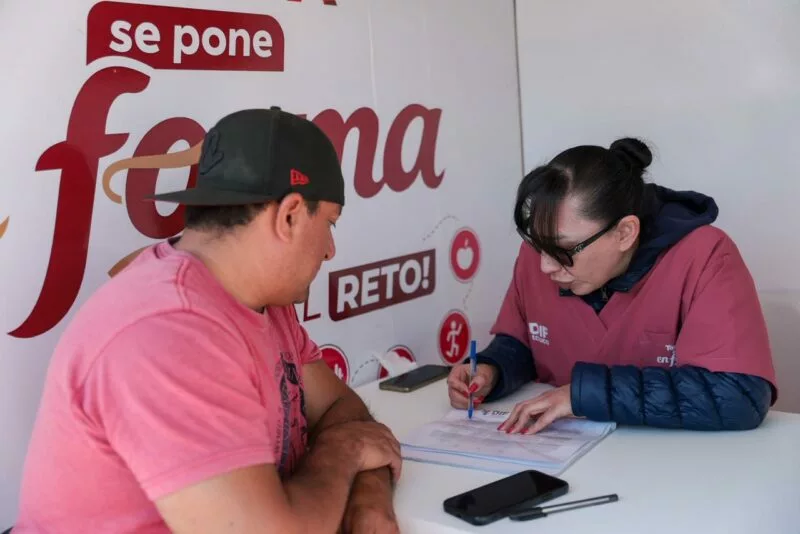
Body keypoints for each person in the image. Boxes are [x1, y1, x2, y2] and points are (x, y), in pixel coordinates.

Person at [13, 107, 402, 534]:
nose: (330, 249)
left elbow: (343, 412)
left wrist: (370, 500)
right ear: (289, 215)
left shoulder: (264, 300)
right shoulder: (166, 330)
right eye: (329, 222)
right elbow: (345, 443)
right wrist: (341, 455)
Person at [447, 137, 777, 434]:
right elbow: (525, 343)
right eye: (538, 245)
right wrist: (492, 371)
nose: (545, 265)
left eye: (562, 251)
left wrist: (581, 397)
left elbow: (739, 396)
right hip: (565, 459)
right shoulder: (540, 254)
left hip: (675, 472)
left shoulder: (705, 255)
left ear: (624, 233)